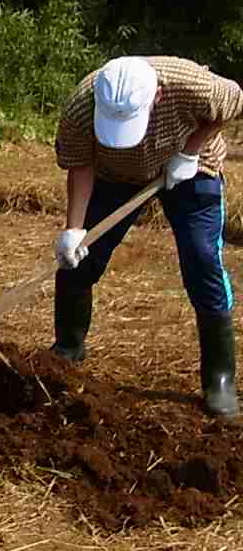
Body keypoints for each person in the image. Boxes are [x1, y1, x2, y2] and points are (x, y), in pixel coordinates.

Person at [53, 55, 242, 419]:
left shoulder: (192, 85)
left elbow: (233, 102)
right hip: (116, 176)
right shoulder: (82, 104)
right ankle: (67, 350)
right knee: (79, 259)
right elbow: (80, 164)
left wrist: (190, 149)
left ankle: (220, 378)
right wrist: (74, 229)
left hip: (191, 170)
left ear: (157, 96)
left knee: (202, 259)